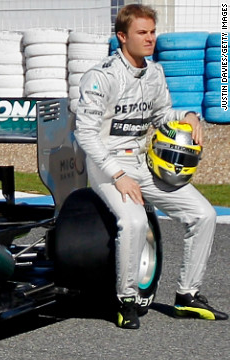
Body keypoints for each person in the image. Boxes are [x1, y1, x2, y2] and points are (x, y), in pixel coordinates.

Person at [74, 4, 228, 329]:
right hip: (108, 166)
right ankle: (126, 300)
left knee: (203, 214)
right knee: (132, 222)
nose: (150, 39)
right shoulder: (101, 77)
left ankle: (187, 296)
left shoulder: (155, 72)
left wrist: (187, 115)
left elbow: (161, 116)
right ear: (121, 37)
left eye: (152, 32)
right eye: (141, 33)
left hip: (145, 162)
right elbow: (85, 133)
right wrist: (117, 175)